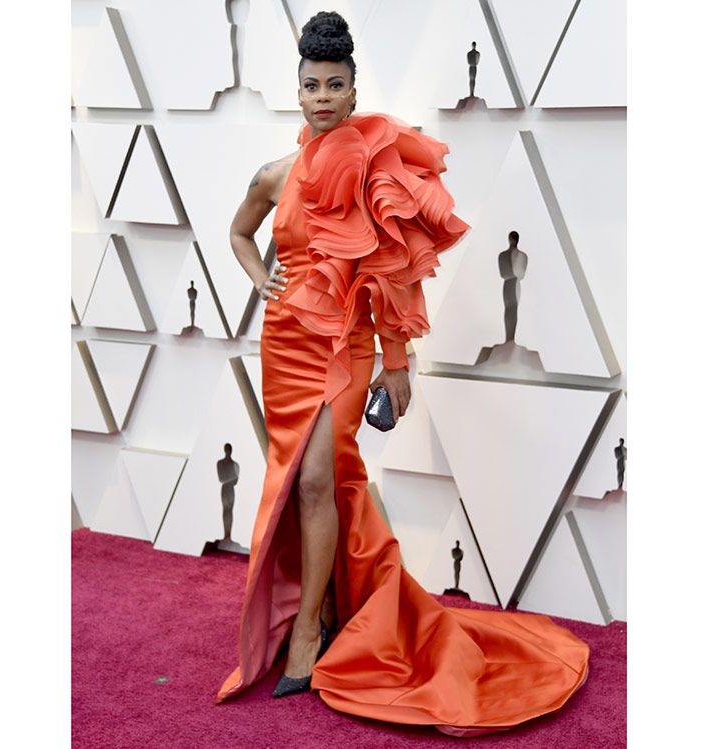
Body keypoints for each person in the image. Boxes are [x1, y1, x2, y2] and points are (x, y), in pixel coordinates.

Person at [218, 11, 589, 736]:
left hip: (347, 346)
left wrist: (396, 362)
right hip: (285, 343)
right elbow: (238, 232)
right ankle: (327, 609)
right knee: (304, 483)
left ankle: (306, 635)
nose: (323, 97)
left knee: (318, 481)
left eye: (335, 85)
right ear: (297, 91)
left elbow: (391, 273)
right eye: (311, 85)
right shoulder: (273, 175)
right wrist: (263, 278)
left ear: (354, 91)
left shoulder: (374, 168)